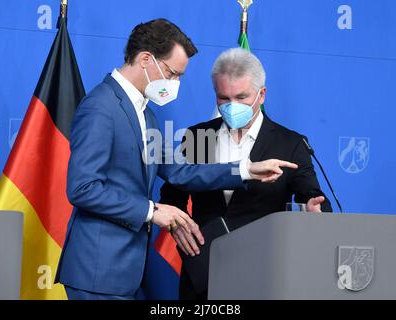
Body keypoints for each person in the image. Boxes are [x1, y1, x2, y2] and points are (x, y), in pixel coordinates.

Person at [55, 20, 298, 300]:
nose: (175, 84)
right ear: (146, 59)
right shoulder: (101, 107)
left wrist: (245, 170)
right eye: (172, 73)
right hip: (97, 271)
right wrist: (152, 211)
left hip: (127, 269)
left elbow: (179, 171)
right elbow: (83, 188)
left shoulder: (145, 113)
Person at [160, 47, 333, 300]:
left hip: (264, 273)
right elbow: (172, 194)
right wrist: (178, 225)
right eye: (223, 98)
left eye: (241, 97)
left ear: (261, 95)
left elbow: (313, 196)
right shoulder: (197, 137)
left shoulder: (291, 144)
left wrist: (316, 209)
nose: (231, 106)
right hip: (203, 273)